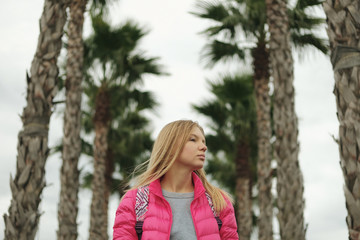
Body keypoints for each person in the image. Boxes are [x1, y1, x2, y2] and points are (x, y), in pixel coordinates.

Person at [113, 120, 238, 240]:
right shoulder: (135, 201)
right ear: (171, 147)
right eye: (193, 140)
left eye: (203, 141)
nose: (204, 147)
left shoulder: (219, 202)